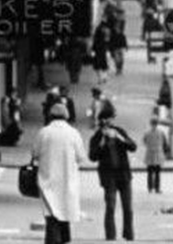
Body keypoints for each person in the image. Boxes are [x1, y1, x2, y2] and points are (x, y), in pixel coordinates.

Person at [32, 101, 88, 244]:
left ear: (50, 116)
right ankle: (64, 239)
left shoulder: (44, 132)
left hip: (47, 179)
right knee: (65, 213)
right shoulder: (73, 133)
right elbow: (81, 157)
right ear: (66, 116)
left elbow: (35, 153)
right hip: (67, 180)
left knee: (51, 216)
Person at [89, 101, 136, 240]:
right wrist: (102, 143)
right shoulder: (97, 136)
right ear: (102, 121)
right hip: (109, 176)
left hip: (124, 175)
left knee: (128, 207)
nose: (109, 122)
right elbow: (92, 156)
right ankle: (110, 236)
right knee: (110, 206)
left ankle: (129, 234)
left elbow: (133, 147)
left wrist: (119, 138)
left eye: (110, 119)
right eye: (106, 119)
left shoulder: (119, 131)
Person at [143, 115, 168, 193]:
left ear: (150, 123)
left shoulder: (147, 132)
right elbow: (165, 143)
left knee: (150, 172)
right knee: (157, 172)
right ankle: (157, 188)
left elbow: (144, 141)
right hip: (158, 154)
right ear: (157, 123)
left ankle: (150, 188)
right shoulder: (161, 132)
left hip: (149, 154)